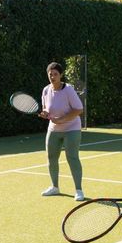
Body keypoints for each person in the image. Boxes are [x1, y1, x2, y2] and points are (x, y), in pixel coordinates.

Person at [39, 62, 85, 201]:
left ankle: (79, 190)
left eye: (55, 74)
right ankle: (54, 187)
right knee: (51, 158)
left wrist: (62, 120)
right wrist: (45, 113)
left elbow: (79, 109)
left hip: (72, 128)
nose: (52, 77)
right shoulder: (46, 90)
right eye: (50, 74)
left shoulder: (68, 90)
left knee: (72, 157)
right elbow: (46, 108)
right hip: (53, 129)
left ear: (61, 75)